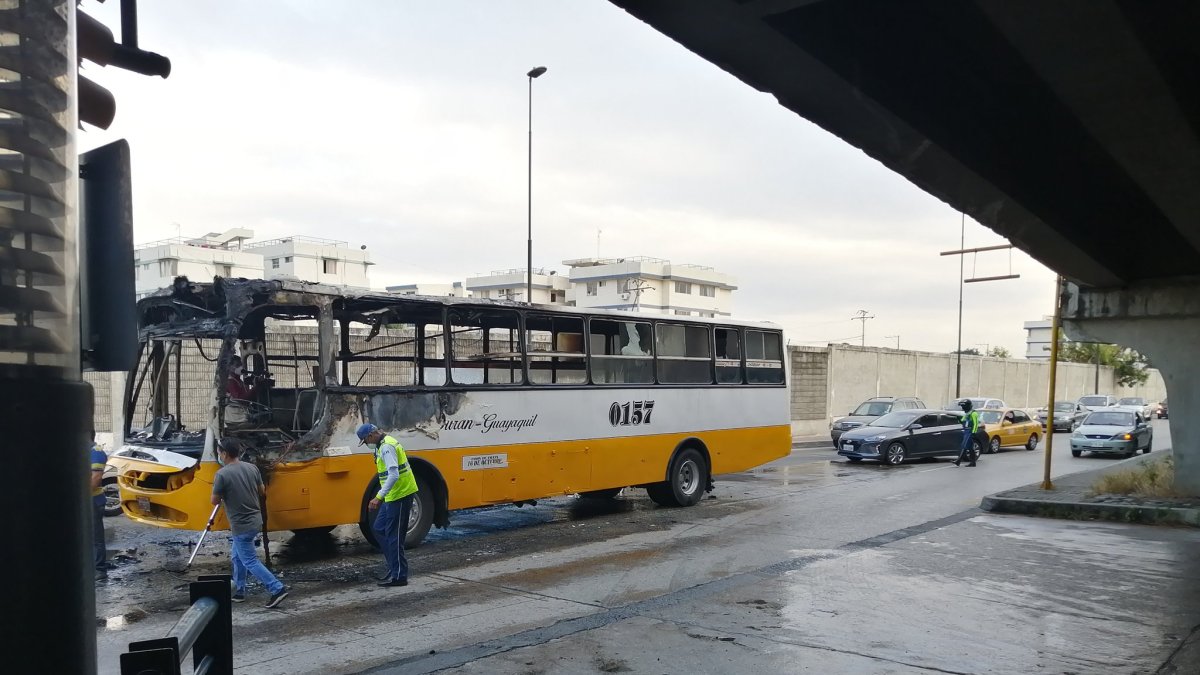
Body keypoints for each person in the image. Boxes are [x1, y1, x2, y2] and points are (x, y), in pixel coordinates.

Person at [211, 438, 289, 608]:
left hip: (241, 525)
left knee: (249, 560)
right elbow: (262, 491)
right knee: (237, 556)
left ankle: (277, 588)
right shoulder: (252, 468)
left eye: (219, 452)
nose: (219, 455)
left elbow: (214, 501)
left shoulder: (222, 474)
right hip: (255, 520)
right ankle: (239, 591)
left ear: (224, 454)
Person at [357, 423, 418, 587]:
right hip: (393, 495)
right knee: (378, 528)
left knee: (394, 536)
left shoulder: (386, 447)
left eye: (365, 440)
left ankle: (399, 576)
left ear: (371, 435)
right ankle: (394, 565)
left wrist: (378, 497)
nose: (366, 444)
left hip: (401, 494)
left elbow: (393, 475)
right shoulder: (382, 444)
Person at [90, 438, 111, 580]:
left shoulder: (95, 452)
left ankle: (100, 570)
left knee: (96, 538)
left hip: (92, 500)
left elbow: (96, 478)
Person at [955, 399, 980, 467]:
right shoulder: (967, 414)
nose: (963, 408)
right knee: (970, 448)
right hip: (966, 431)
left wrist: (973, 432)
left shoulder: (973, 413)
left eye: (964, 407)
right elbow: (963, 420)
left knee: (964, 445)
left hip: (969, 431)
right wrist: (958, 419)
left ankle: (958, 461)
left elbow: (975, 423)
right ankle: (973, 462)